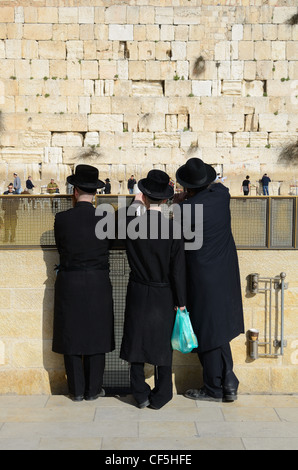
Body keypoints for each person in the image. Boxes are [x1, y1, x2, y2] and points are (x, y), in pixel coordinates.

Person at [176, 158, 244, 402]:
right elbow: (218, 186)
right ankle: (229, 381)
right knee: (219, 328)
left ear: (187, 188)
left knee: (206, 332)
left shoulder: (185, 211)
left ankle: (214, 388)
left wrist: (180, 202)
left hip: (202, 278)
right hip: (225, 275)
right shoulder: (221, 196)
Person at [120, 169, 187, 409]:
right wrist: (181, 301)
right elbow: (178, 271)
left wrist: (135, 202)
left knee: (136, 340)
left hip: (138, 289)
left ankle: (140, 393)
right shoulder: (174, 229)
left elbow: (126, 218)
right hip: (164, 292)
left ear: (145, 197)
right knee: (162, 343)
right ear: (166, 199)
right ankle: (162, 395)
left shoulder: (131, 225)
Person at [52, 164, 115, 401]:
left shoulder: (62, 219)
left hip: (70, 281)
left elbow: (61, 248)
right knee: (96, 335)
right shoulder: (107, 219)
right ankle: (93, 390)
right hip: (98, 281)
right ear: (95, 193)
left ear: (75, 191)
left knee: (71, 334)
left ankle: (76, 391)